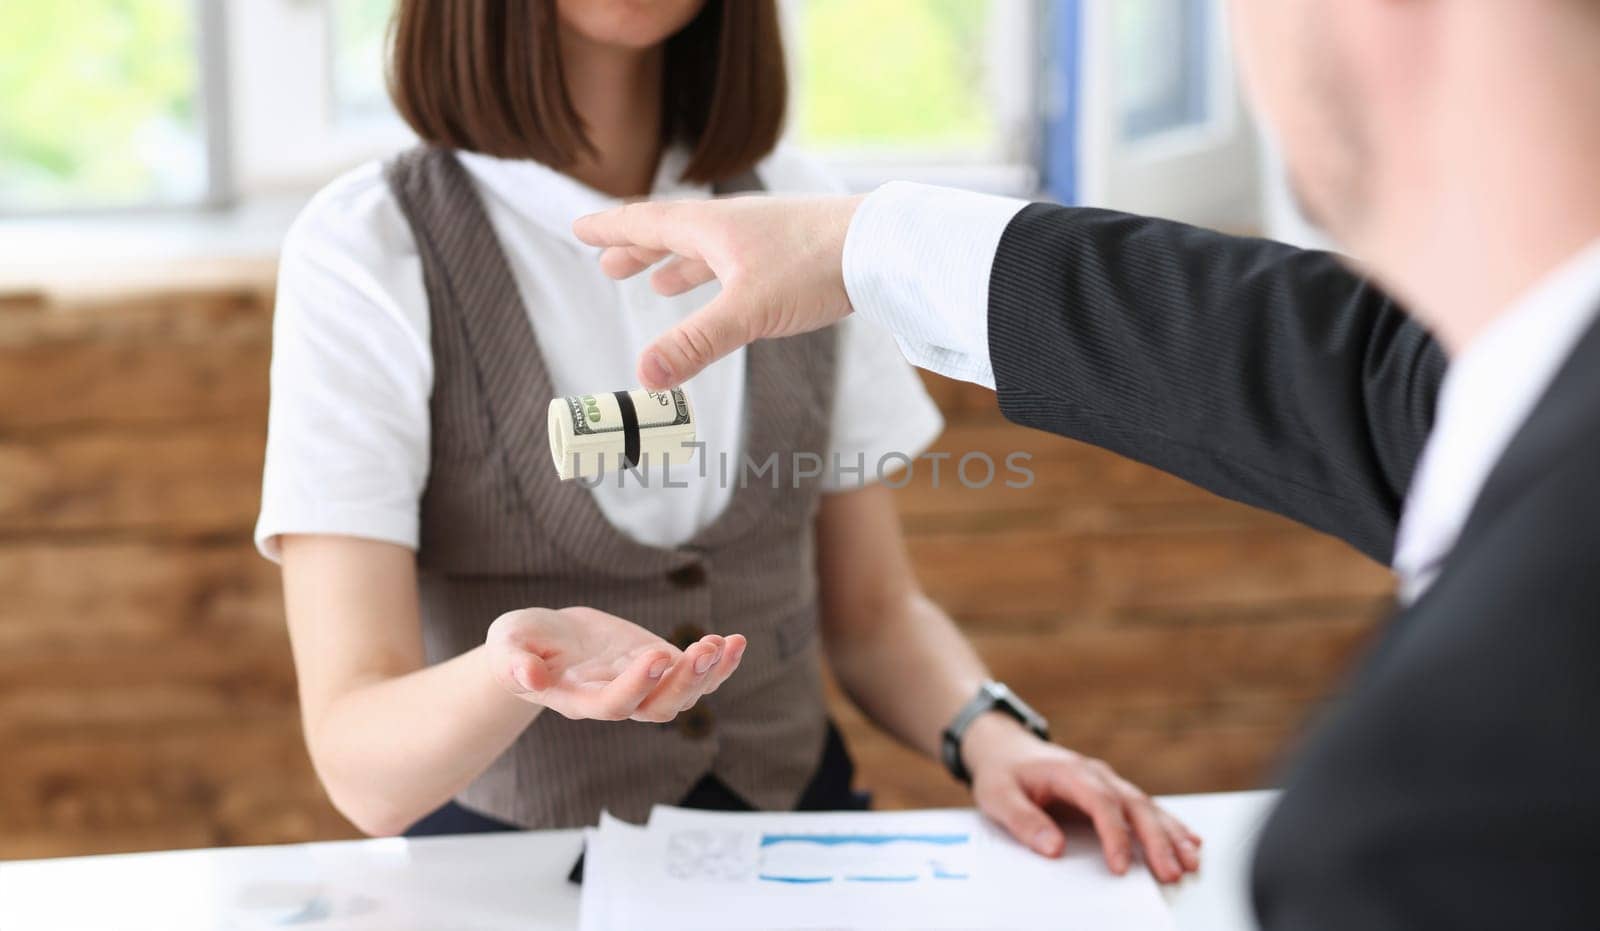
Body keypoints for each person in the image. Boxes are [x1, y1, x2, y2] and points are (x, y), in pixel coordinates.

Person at [572, 0, 1600, 926]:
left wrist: (990, 731)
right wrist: (865, 243)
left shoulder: (1436, 831)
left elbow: (876, 610)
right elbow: (1373, 377)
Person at [256, 0, 1199, 883]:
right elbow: (361, 765)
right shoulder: (369, 248)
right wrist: (517, 668)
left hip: (794, 849)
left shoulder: (804, 207)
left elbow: (874, 615)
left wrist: (997, 738)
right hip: (513, 878)